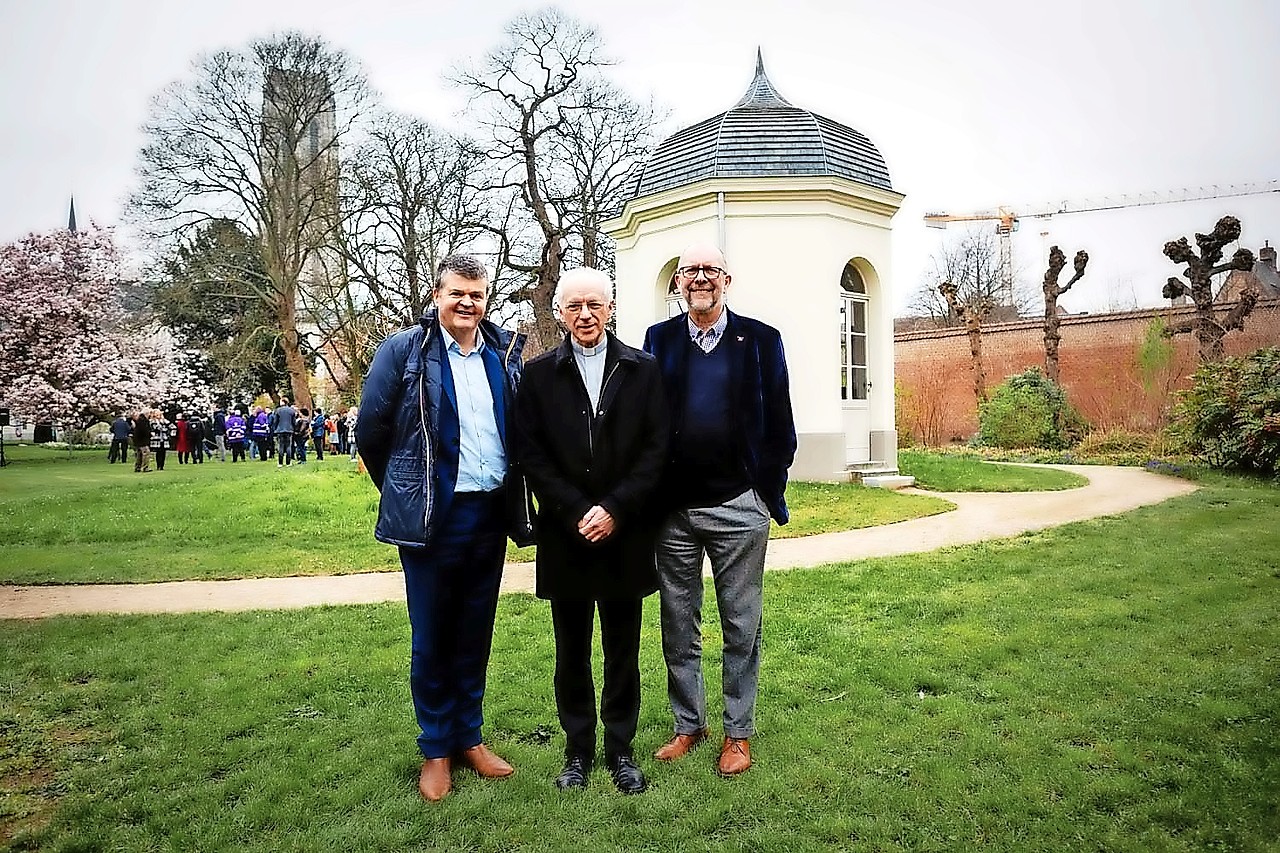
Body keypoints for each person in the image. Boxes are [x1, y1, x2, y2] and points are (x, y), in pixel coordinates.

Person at [356, 254, 533, 803]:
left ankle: (470, 739)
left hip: (489, 515)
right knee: (432, 635)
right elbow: (371, 430)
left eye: (477, 294)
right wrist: (406, 492)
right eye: (457, 292)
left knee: (474, 631)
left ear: (487, 299)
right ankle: (436, 748)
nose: (467, 303)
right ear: (437, 296)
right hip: (434, 519)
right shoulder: (405, 351)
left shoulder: (503, 354)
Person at [642, 242, 797, 777]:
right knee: (678, 622)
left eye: (710, 270)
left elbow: (780, 424)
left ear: (727, 280)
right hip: (673, 513)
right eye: (691, 271)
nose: (700, 278)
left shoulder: (760, 339)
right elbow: (647, 422)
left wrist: (763, 489)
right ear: (678, 282)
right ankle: (689, 724)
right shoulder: (658, 341)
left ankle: (738, 732)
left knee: (740, 623)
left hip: (739, 507)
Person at [514, 268, 668, 794]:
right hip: (566, 532)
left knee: (623, 648)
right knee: (571, 650)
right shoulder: (537, 376)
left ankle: (621, 750)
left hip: (624, 533)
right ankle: (577, 751)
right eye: (575, 305)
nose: (586, 315)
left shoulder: (642, 369)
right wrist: (578, 508)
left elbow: (656, 449)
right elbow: (531, 453)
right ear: (559, 313)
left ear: (611, 308)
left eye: (595, 305)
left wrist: (615, 508)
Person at [272, 397, 296, 467]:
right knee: (288, 446)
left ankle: (280, 463)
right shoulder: (291, 410)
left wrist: (275, 429)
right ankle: (288, 462)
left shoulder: (278, 410)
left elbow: (275, 421)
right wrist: (293, 428)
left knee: (281, 446)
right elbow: (294, 422)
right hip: (289, 430)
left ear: (283, 402)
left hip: (280, 430)